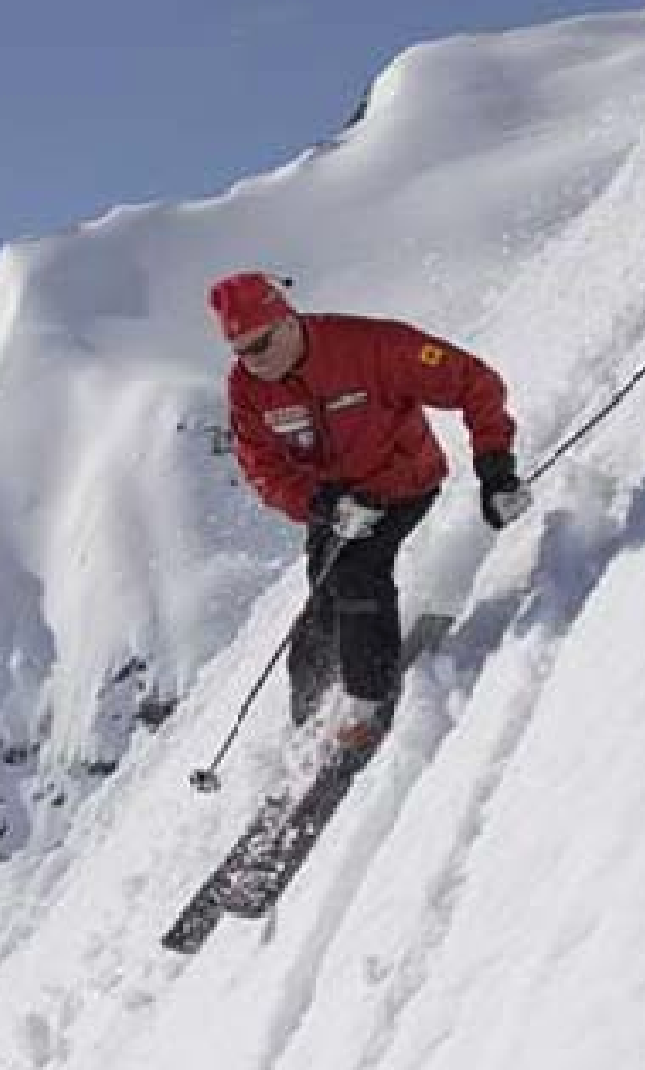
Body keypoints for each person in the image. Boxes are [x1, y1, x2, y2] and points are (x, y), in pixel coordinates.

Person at [212, 271, 531, 755]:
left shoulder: (370, 347)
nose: (253, 361)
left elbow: (474, 382)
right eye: (240, 352)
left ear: (286, 320)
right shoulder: (247, 388)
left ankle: (366, 706)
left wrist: (496, 470)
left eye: (260, 345)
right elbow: (262, 468)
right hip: (337, 502)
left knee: (358, 574)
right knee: (321, 612)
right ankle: (309, 723)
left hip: (403, 482)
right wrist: (323, 504)